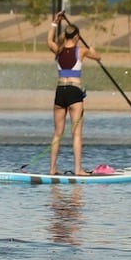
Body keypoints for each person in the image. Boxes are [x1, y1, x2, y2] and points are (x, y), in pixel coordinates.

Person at [46, 12, 102, 174]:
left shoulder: (57, 50)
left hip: (60, 92)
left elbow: (49, 40)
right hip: (74, 92)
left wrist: (54, 23)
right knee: (76, 133)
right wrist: (92, 49)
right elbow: (98, 57)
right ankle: (78, 169)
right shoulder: (82, 51)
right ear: (77, 36)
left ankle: (52, 169)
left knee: (57, 133)